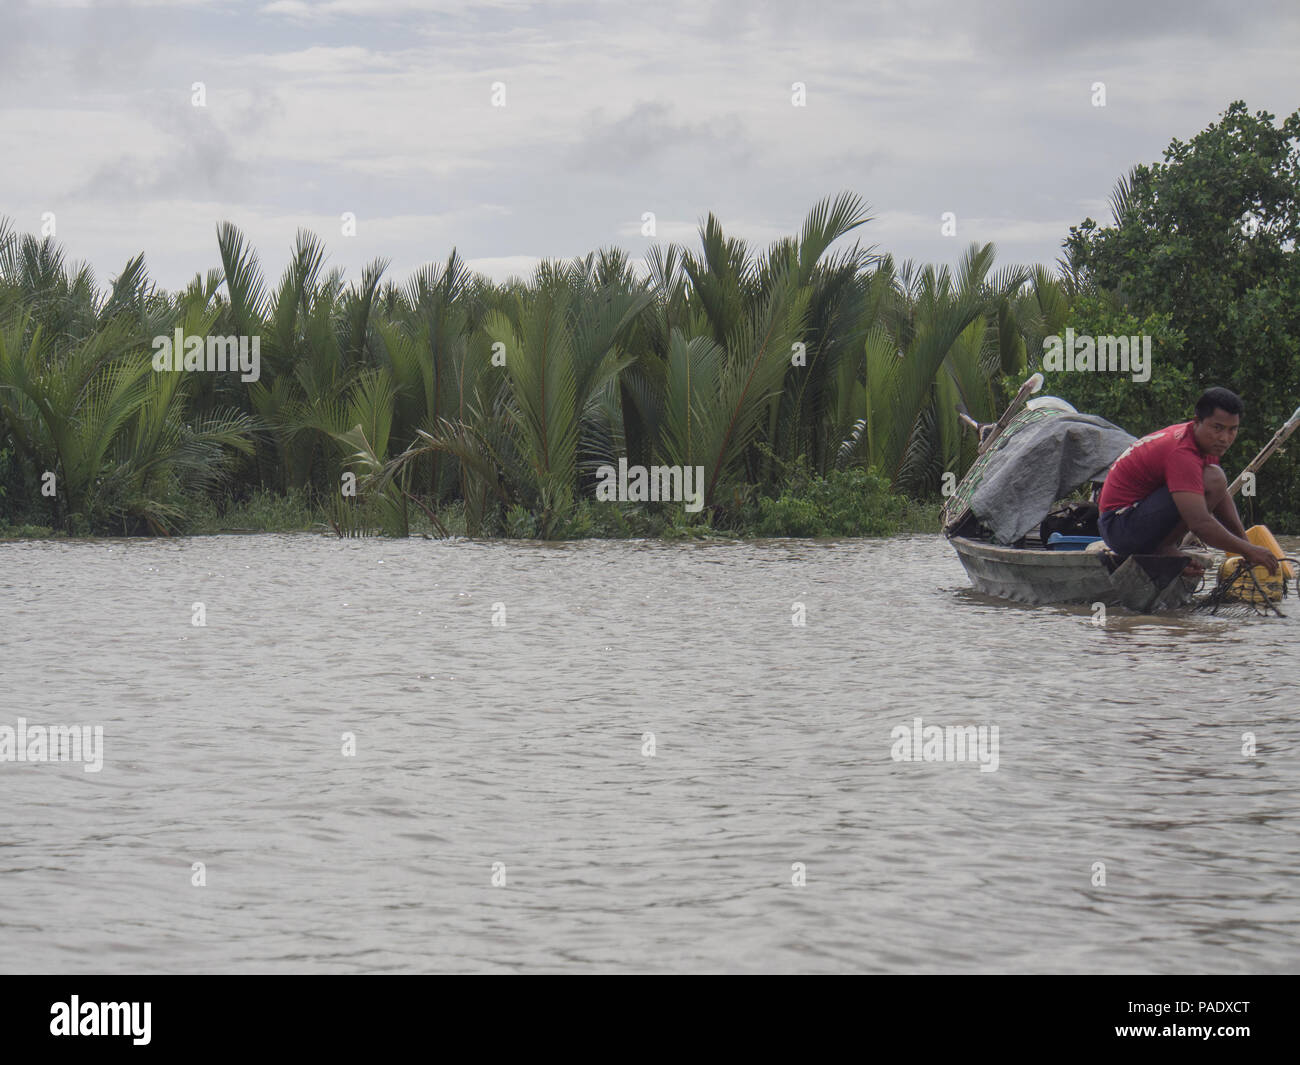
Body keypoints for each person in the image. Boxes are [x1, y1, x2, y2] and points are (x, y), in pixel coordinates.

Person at [1098, 387, 1280, 577]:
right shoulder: (1182, 452)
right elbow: (1199, 524)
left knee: (1215, 477)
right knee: (1213, 477)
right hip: (1120, 527)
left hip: (1130, 519)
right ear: (1197, 422)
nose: (1224, 438)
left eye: (1232, 429)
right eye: (1217, 428)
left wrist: (1246, 545)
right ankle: (1163, 549)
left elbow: (1219, 494)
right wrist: (1249, 551)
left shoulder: (1201, 443)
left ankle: (1164, 546)